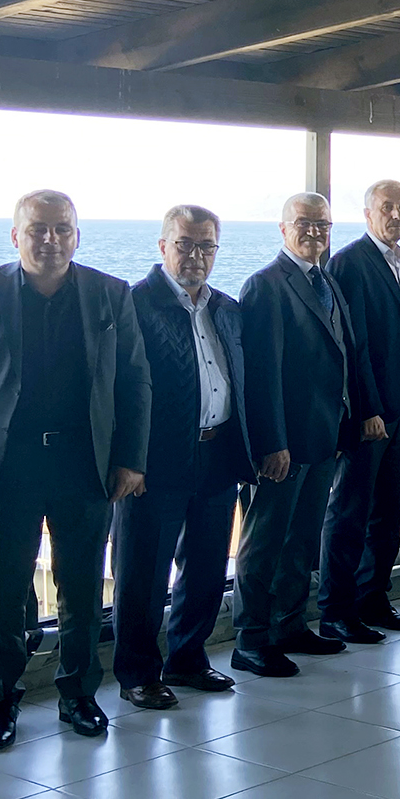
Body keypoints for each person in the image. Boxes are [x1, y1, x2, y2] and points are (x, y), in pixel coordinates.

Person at [0, 191, 150, 750]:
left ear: (77, 235)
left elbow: (135, 379)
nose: (50, 239)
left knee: (83, 588)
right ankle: (0, 698)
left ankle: (79, 694)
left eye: (62, 229)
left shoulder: (110, 294)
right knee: (2, 592)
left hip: (84, 462)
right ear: (15, 236)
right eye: (38, 229)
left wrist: (131, 459)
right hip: (8, 465)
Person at [112, 205, 250, 709]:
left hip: (217, 453)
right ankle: (137, 673)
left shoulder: (226, 308)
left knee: (208, 565)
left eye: (206, 246)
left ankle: (187, 659)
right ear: (163, 246)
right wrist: (129, 460)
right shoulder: (133, 304)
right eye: (185, 244)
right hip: (154, 463)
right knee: (143, 573)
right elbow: (117, 389)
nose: (196, 256)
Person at [235, 192, 374, 675]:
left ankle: (289, 625)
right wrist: (272, 443)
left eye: (323, 224)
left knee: (301, 542)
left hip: (324, 437)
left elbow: (343, 355)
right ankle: (251, 639)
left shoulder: (327, 281)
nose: (315, 232)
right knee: (264, 544)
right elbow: (262, 375)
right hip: (284, 444)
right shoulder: (266, 286)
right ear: (283, 228)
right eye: (304, 223)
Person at [318, 180, 400, 643]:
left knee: (391, 509)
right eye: (387, 207)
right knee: (350, 512)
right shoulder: (351, 263)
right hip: (370, 413)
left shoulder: (398, 263)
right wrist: (367, 410)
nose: (396, 215)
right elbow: (352, 345)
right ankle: (336, 611)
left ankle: (372, 598)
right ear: (367, 214)